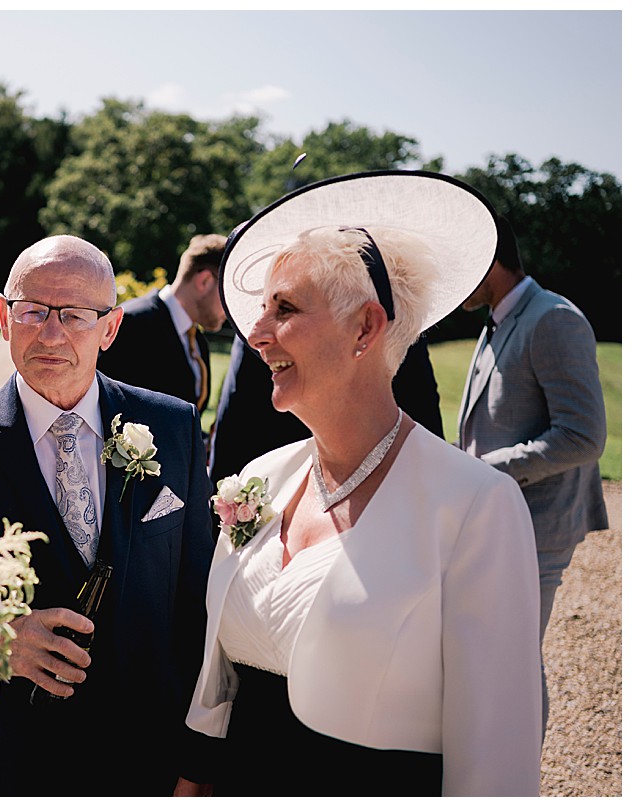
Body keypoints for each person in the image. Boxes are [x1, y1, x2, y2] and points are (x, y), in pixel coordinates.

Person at [180, 172, 543, 796]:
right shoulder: (263, 478)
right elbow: (219, 688)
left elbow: (495, 758)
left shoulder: (476, 505)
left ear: (365, 328)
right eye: (261, 309)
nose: (256, 334)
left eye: (284, 309)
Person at [0, 235, 216, 796]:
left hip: (144, 765)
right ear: (4, 317)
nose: (51, 334)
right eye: (33, 311)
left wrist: (195, 764)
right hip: (0, 767)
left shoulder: (173, 426)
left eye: (76, 315)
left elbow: (197, 602)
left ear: (110, 328)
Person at [456, 214, 607, 730]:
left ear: (489, 261)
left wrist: (485, 471)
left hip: (538, 525)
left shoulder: (554, 319)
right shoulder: (499, 320)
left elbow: (583, 436)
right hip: (506, 520)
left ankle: (518, 770)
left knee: (515, 661)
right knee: (499, 656)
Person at [209, 331, 445, 484]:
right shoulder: (256, 340)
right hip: (271, 491)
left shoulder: (398, 335)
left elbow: (425, 439)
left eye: (286, 308)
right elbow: (234, 445)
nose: (256, 333)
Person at [97, 233, 225, 412]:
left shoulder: (198, 341)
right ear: (205, 281)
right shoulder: (132, 323)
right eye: (227, 291)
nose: (232, 306)